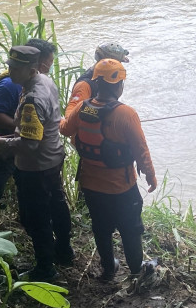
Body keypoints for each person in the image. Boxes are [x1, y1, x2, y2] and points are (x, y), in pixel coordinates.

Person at [60, 59, 157, 282]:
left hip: (91, 186)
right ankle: (135, 269)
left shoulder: (83, 107)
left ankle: (108, 268)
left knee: (101, 228)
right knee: (131, 229)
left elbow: (65, 129)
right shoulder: (127, 114)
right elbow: (141, 150)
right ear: (118, 85)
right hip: (122, 187)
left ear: (96, 83)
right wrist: (150, 175)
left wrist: (57, 119)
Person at [0, 45, 71, 281]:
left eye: (16, 68)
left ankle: (45, 268)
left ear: (32, 69)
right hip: (53, 158)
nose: (10, 71)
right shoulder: (45, 81)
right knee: (56, 204)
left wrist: (1, 144)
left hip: (36, 167)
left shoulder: (32, 99)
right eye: (10, 66)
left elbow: (30, 144)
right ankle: (64, 251)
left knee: (35, 217)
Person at [0, 38, 55, 231]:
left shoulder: (35, 84)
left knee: (25, 188)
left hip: (20, 144)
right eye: (47, 65)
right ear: (35, 65)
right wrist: (20, 131)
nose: (48, 70)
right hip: (0, 145)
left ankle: (24, 223)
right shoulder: (11, 84)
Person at [65, 42, 131, 118]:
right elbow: (70, 113)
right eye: (118, 63)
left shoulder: (105, 79)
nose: (120, 66)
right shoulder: (84, 85)